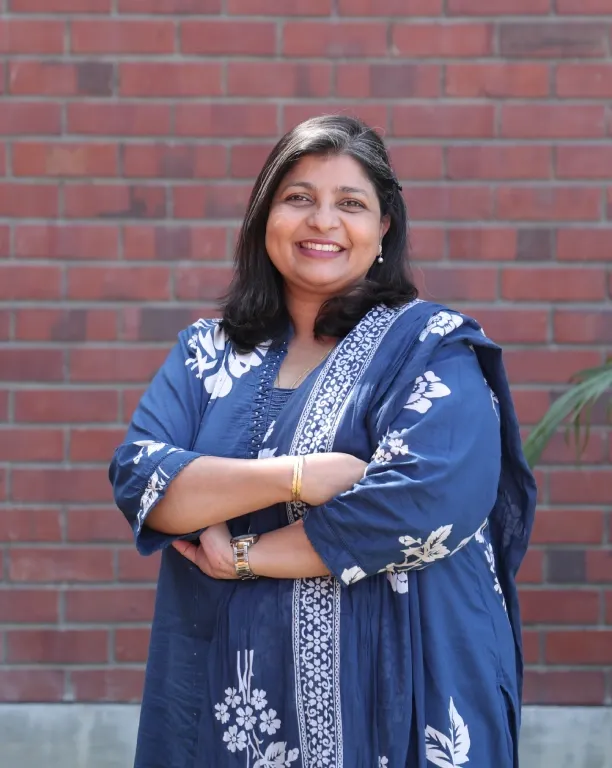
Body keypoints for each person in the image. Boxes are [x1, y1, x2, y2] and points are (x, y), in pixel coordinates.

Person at [109, 114, 536, 768]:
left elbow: (424, 501)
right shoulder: (207, 353)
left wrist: (242, 554)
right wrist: (301, 476)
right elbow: (143, 480)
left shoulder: (430, 350)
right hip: (229, 693)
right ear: (265, 215)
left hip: (397, 693)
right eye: (299, 197)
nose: (323, 221)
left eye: (350, 203)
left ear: (384, 225)